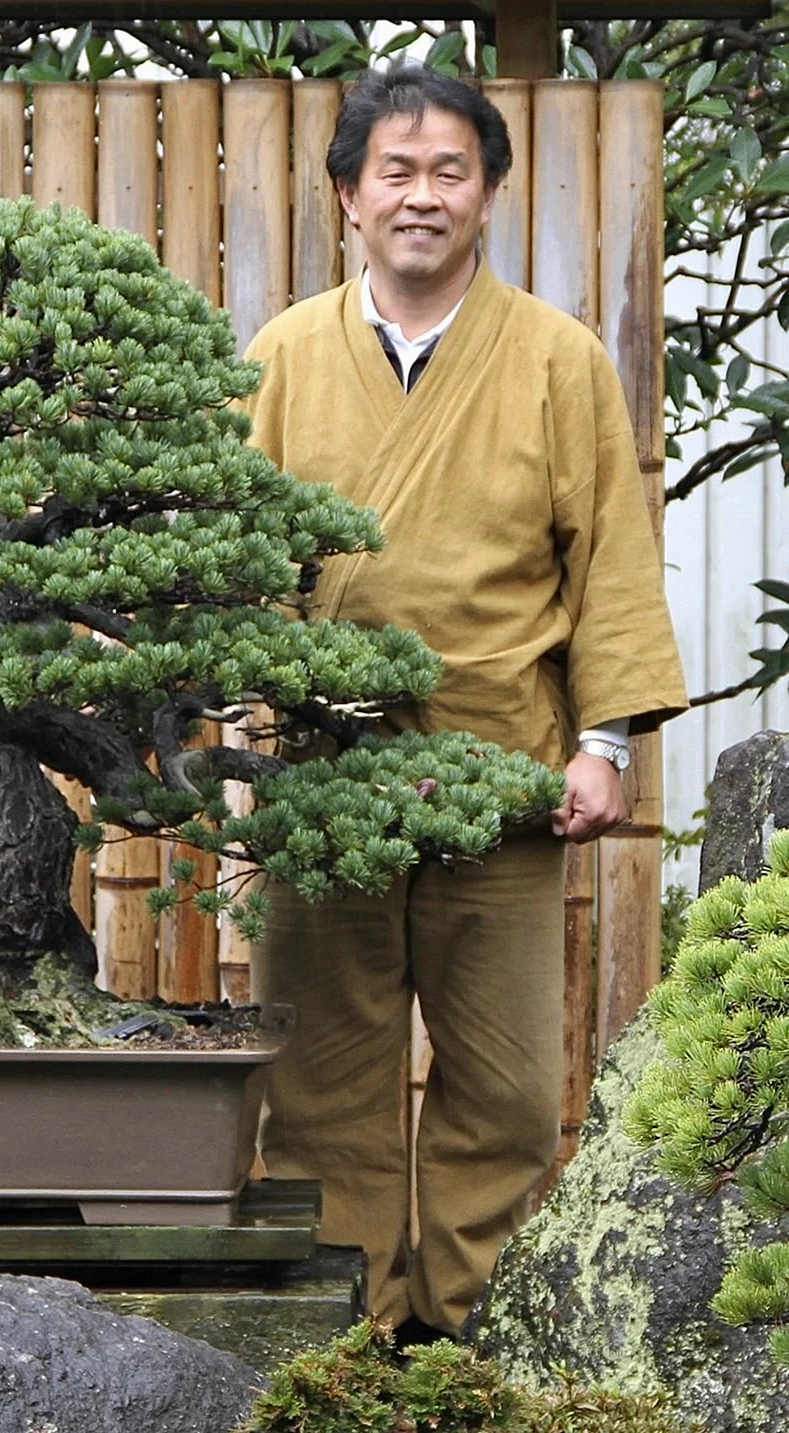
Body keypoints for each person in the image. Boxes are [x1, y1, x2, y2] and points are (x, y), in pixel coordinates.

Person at [243, 63, 688, 1346]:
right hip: (327, 777)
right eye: (397, 170)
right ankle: (347, 1333)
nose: (422, 194)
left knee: (502, 1084)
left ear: (488, 191)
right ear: (348, 195)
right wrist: (258, 729)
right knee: (322, 1083)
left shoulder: (557, 359)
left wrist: (604, 744)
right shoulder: (280, 356)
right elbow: (238, 568)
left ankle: (472, 1334)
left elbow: (609, 555)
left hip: (509, 776)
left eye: (450, 170)